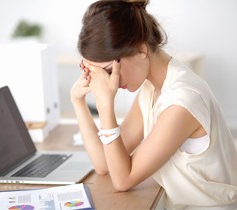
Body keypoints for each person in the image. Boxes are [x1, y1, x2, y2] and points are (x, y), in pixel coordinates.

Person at [70, 0, 237, 209]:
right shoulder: (151, 89)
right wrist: (78, 101)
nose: (107, 81)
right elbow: (104, 164)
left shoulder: (182, 100)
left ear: (141, 49)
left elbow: (123, 180)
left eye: (109, 70)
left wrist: (105, 105)